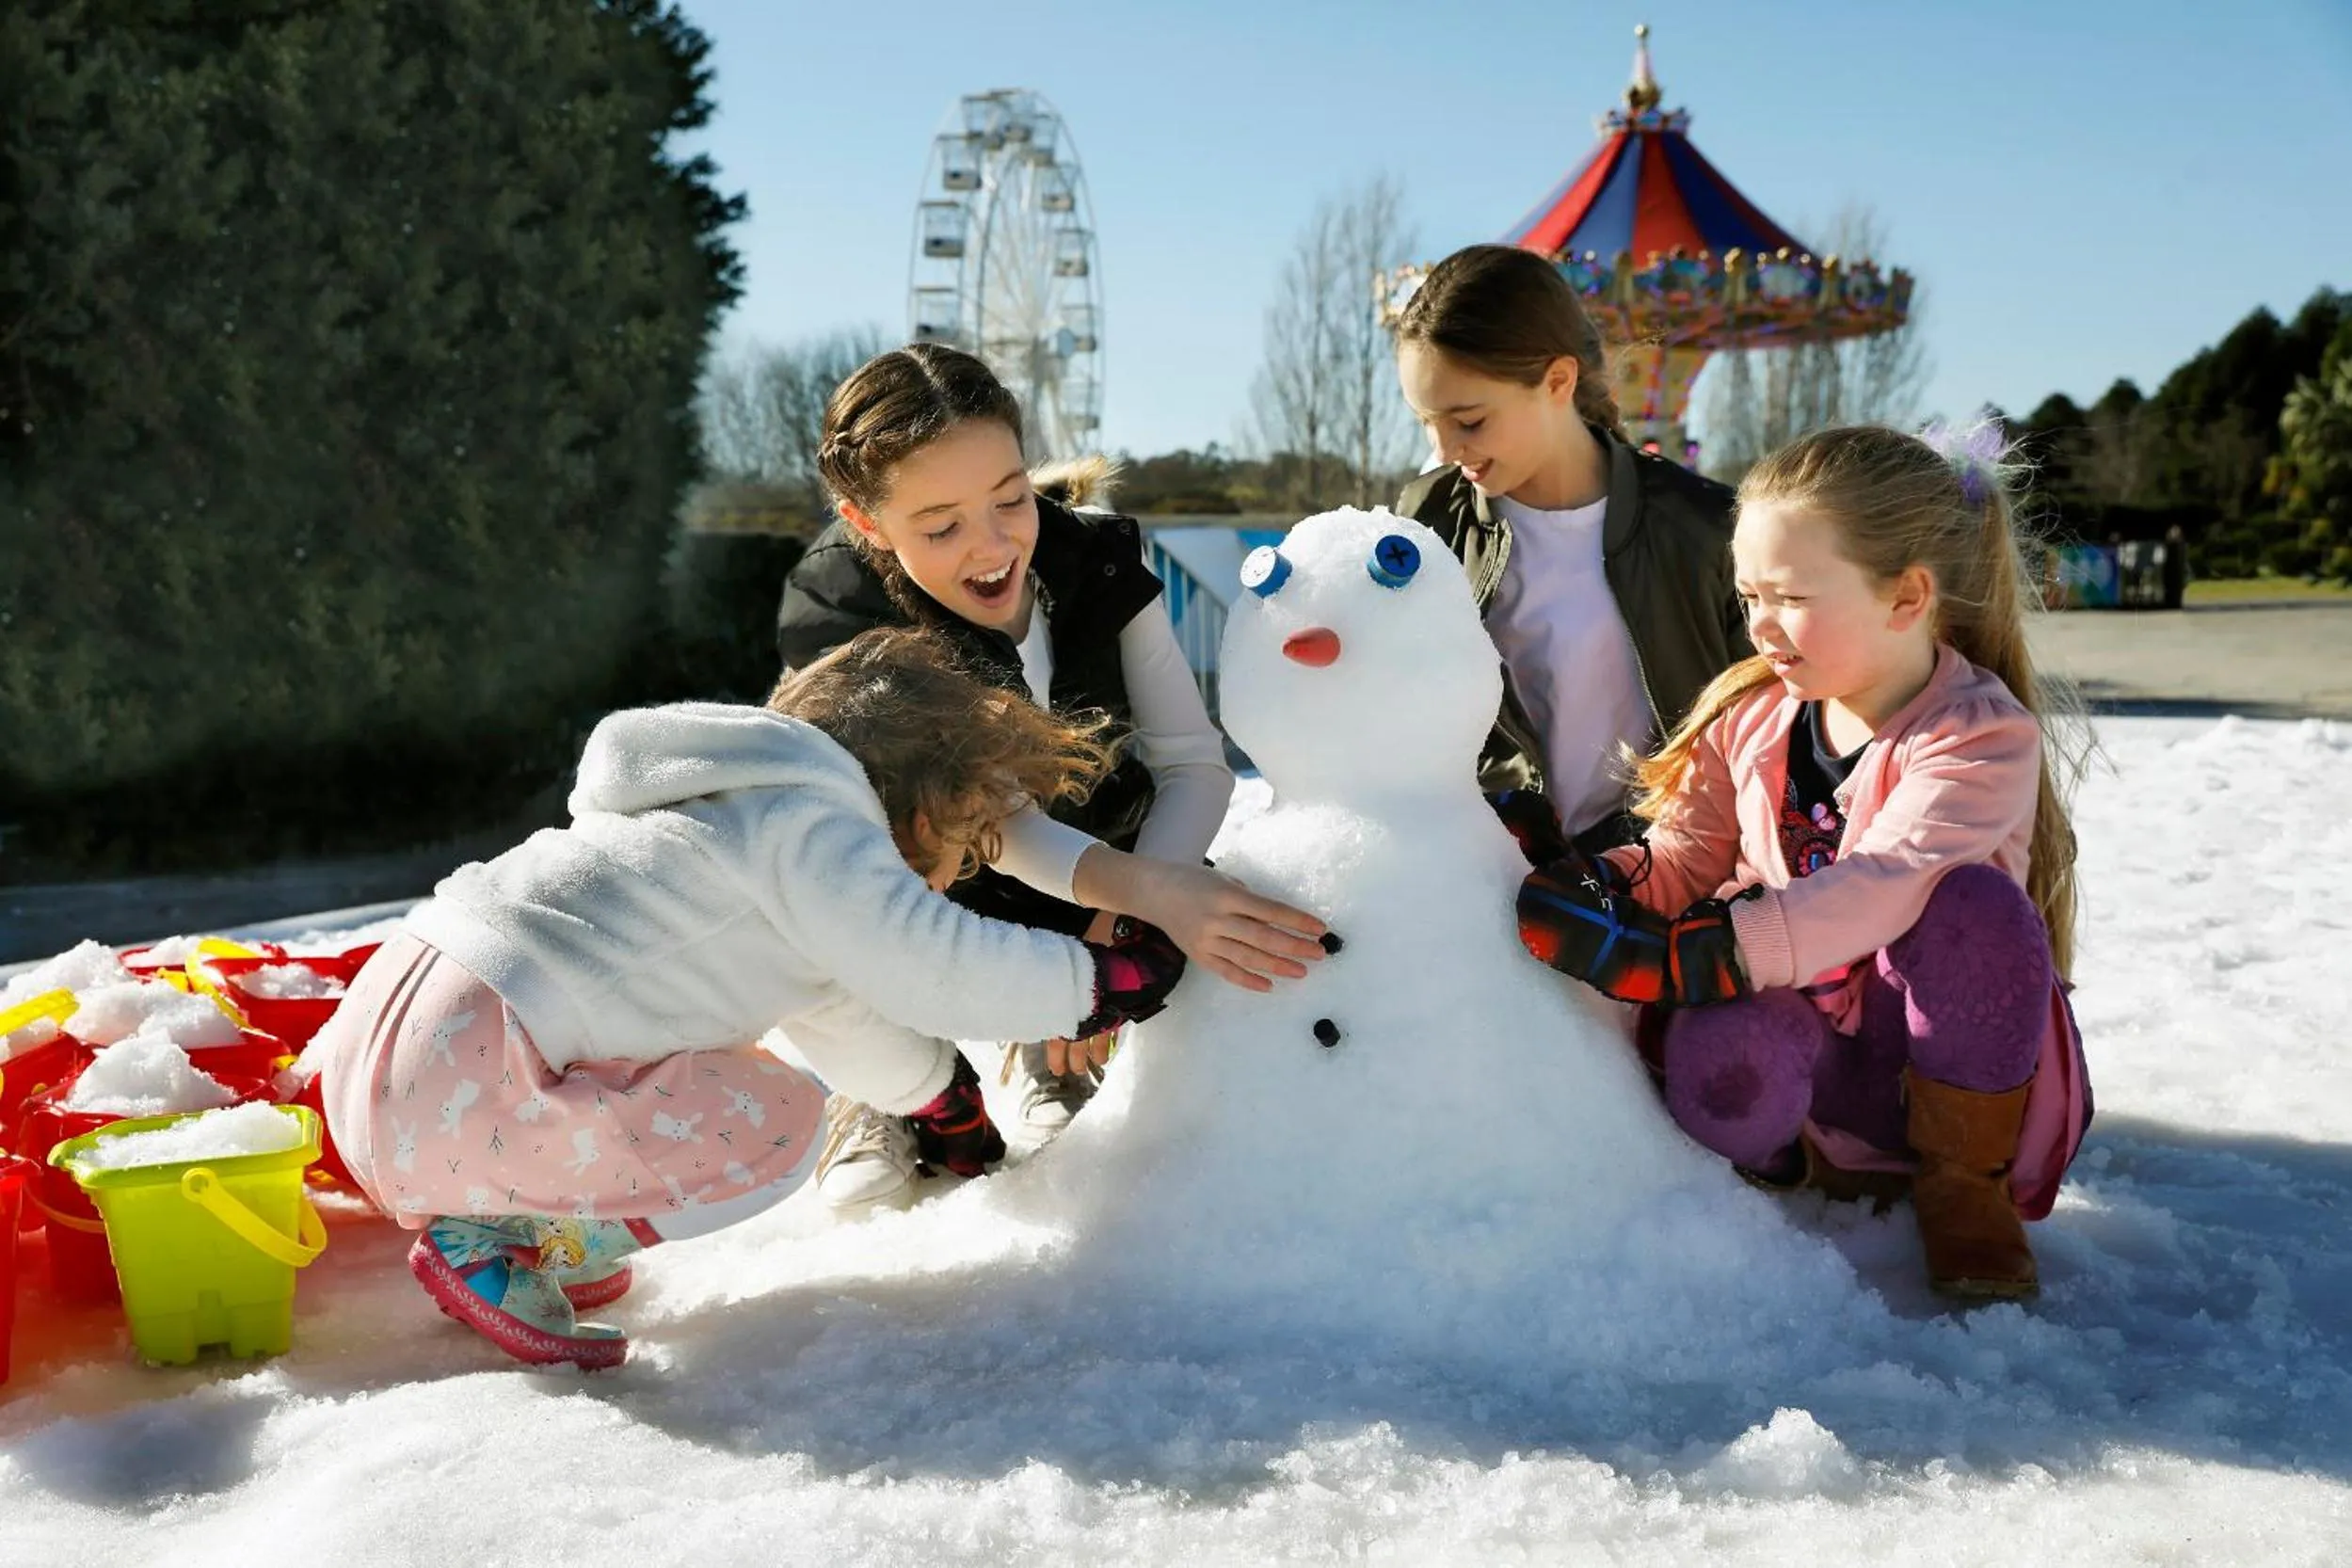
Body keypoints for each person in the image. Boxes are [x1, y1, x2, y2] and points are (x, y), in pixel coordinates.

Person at [294, 629, 1192, 1367]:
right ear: (923, 817)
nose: (957, 875)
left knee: (730, 1071)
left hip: (386, 1049)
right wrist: (1099, 986)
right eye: (969, 845)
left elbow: (840, 1011)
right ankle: (503, 1239)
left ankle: (526, 1215)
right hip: (458, 1076)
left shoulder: (719, 812)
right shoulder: (814, 828)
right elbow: (933, 963)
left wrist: (939, 1099)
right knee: (778, 1125)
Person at [1514, 423, 2094, 1302]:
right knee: (1718, 1074)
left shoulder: (1976, 735)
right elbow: (1684, 856)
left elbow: (1892, 876)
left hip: (1938, 1057)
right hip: (1813, 1050)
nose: (1758, 626)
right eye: (1748, 596)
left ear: (1904, 598)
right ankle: (1801, 1165)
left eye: (1787, 597)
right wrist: (1598, 884)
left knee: (1970, 906)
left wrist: (1720, 949)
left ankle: (1960, 1189)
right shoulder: (1750, 720)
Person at [776, 343, 1328, 1210]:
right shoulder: (846, 613)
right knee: (820, 873)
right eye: (942, 526)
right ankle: (884, 1080)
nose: (995, 546)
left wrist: (1139, 900)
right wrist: (1140, 895)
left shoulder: (1093, 565)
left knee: (1205, 904)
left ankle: (1047, 1041)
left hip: (1086, 854)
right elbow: (988, 822)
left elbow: (1190, 759)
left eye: (1009, 499)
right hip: (928, 869)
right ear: (867, 522)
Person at [1390, 243, 1750, 859]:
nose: (1444, 447)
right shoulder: (1428, 519)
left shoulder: (1707, 528)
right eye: (1427, 421)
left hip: (1675, 882)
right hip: (1494, 877)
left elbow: (1773, 726)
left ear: (1558, 381)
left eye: (1468, 421)